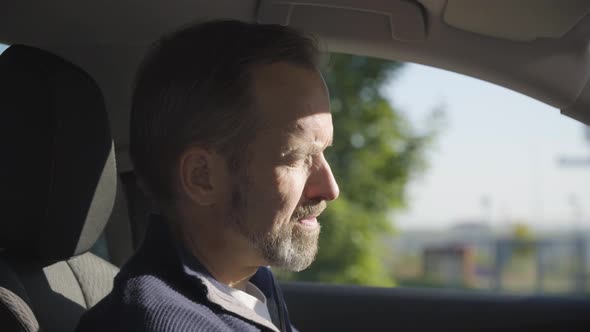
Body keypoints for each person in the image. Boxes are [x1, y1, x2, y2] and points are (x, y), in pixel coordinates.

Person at [76, 19, 339, 332]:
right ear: (202, 177)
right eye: (297, 158)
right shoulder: (164, 323)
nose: (330, 188)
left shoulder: (245, 283)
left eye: (324, 152)